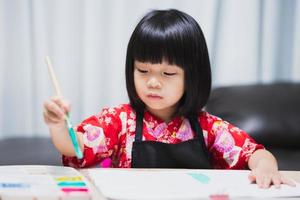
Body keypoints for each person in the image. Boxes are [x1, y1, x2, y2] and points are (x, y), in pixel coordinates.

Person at [43, 9, 295, 188]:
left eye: (168, 73)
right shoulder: (120, 120)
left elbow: (256, 153)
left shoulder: (209, 129)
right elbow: (76, 147)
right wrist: (58, 125)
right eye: (143, 70)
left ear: (192, 76)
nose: (152, 81)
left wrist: (265, 168)